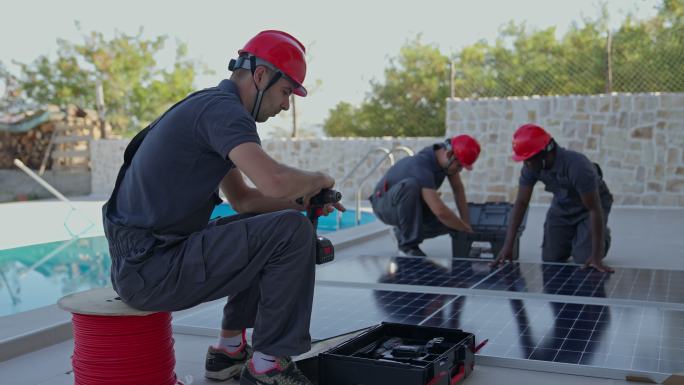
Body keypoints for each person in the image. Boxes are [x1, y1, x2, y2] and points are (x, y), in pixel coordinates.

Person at [102, 30, 343, 385]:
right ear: (261, 76)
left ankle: (228, 352)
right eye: (286, 91)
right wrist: (320, 178)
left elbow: (244, 199)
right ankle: (269, 367)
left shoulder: (208, 107)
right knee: (291, 231)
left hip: (142, 264)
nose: (286, 104)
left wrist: (300, 200)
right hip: (153, 268)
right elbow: (272, 181)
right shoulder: (225, 113)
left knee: (270, 222)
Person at [493, 123, 614, 273]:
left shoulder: (578, 167)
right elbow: (521, 202)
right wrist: (507, 245)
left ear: (545, 152)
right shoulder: (531, 166)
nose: (526, 164)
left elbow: (594, 209)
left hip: (591, 205)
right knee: (551, 258)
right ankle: (577, 237)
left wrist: (596, 256)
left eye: (529, 159)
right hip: (562, 204)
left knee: (584, 258)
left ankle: (603, 238)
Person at [369, 135, 480, 257]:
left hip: (407, 204)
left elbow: (458, 189)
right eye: (459, 166)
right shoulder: (423, 164)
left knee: (451, 223)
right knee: (411, 186)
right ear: (449, 155)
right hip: (384, 205)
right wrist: (465, 229)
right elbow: (440, 212)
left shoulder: (445, 157)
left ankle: (402, 233)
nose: (460, 171)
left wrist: (466, 223)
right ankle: (408, 246)